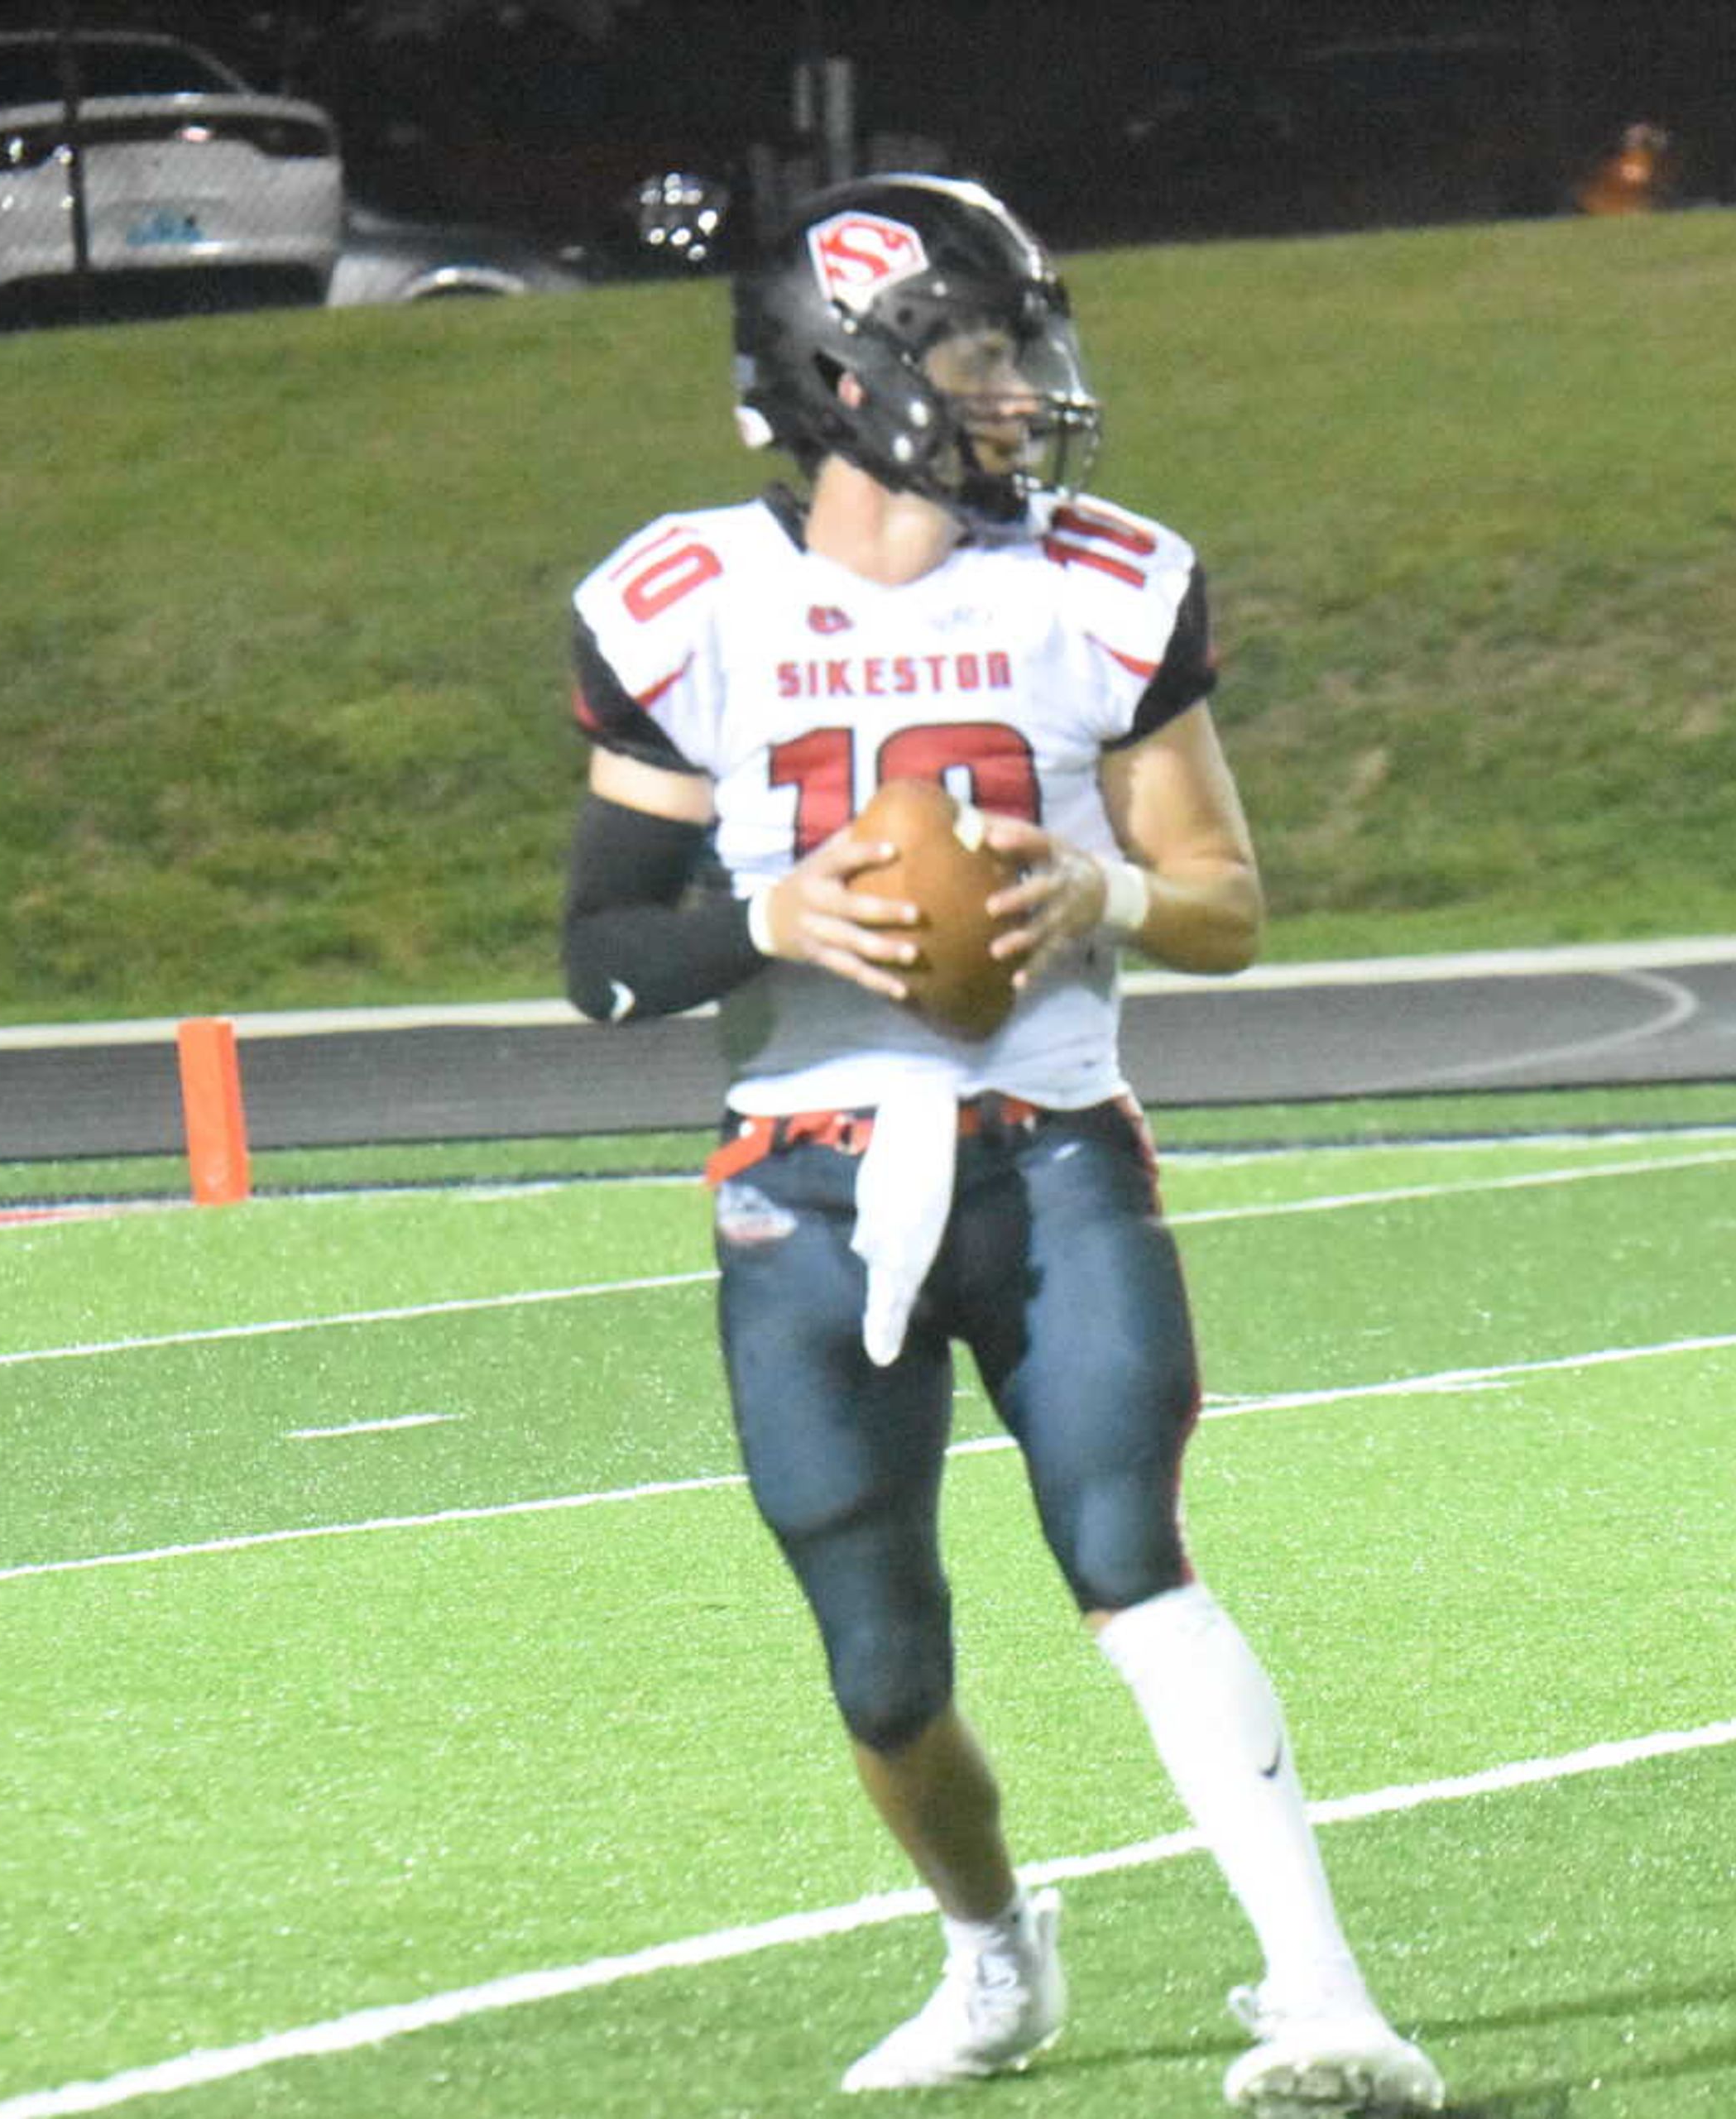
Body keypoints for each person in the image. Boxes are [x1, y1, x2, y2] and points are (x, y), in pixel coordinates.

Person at [558, 172, 1445, 2116]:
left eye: (1011, 345)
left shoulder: (1099, 582)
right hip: (799, 1170)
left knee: (1133, 1555)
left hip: (1049, 1150)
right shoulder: (687, 598)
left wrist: (1108, 896)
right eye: (967, 351)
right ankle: (990, 1953)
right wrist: (769, 919)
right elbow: (602, 955)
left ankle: (1327, 2002)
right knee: (882, 1665)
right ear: (838, 375)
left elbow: (1224, 908)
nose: (1018, 389)